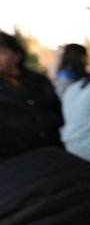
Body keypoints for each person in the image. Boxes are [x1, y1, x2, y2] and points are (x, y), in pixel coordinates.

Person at [0, 31, 63, 159]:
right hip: (14, 162)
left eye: (2, 53)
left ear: (17, 56)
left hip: (51, 153)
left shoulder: (39, 81)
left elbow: (57, 112)